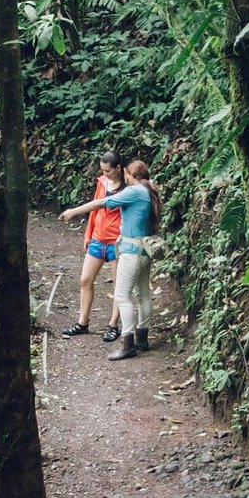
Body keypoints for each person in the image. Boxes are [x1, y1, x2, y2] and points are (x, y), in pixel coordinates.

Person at [59, 159, 161, 360]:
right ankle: (142, 338)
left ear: (130, 175)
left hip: (131, 251)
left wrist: (74, 211)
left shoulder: (135, 191)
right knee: (143, 295)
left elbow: (103, 202)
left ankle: (128, 342)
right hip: (145, 250)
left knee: (122, 296)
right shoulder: (149, 190)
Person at [61, 152, 124, 343]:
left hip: (116, 241)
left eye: (108, 171)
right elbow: (95, 209)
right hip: (98, 239)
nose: (105, 174)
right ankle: (82, 322)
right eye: (102, 170)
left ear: (118, 169)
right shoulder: (102, 182)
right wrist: (88, 234)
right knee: (85, 279)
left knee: (118, 285)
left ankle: (113, 325)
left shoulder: (127, 188)